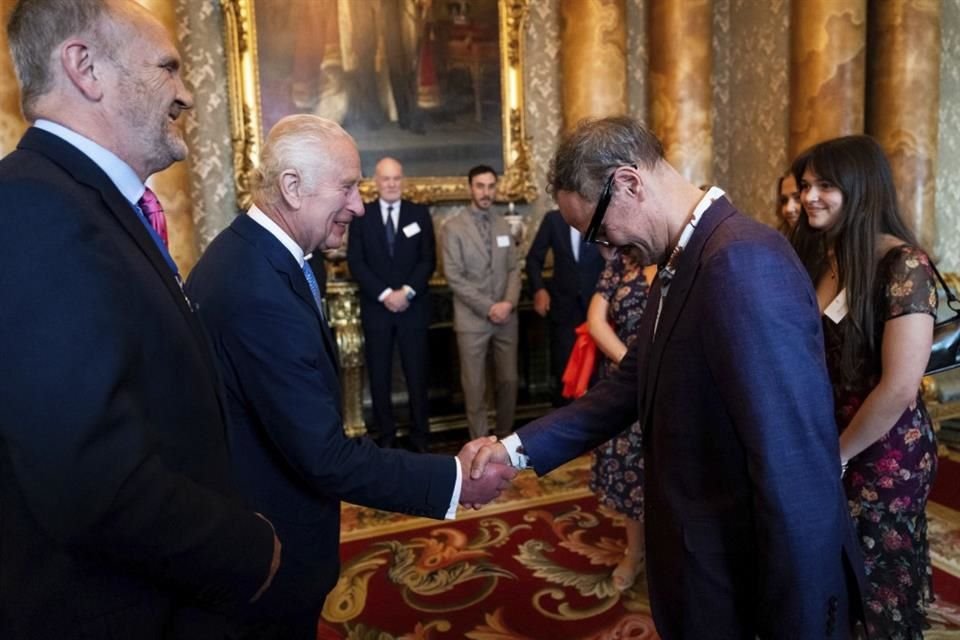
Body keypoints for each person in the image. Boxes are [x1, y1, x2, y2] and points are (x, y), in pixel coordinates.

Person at [470, 116, 864, 638]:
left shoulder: (740, 260)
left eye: (598, 232)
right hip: (700, 561)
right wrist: (514, 449)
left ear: (629, 183)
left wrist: (802, 618)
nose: (605, 252)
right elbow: (629, 385)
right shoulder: (683, 256)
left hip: (740, 579)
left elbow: (792, 460)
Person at [0, 1, 282, 637]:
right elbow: (89, 481)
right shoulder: (33, 209)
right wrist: (245, 550)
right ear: (85, 68)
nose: (185, 93)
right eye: (168, 68)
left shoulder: (84, 203)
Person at [185, 114, 515, 640]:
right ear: (292, 187)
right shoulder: (256, 287)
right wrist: (453, 479)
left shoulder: (273, 258)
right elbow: (323, 455)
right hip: (268, 542)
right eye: (346, 187)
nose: (359, 206)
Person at [791, 135, 939, 639]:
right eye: (807, 184)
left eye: (826, 185)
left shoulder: (903, 265)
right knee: (829, 575)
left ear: (861, 186)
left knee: (878, 584)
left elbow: (899, 388)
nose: (809, 196)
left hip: (884, 450)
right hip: (826, 439)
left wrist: (837, 455)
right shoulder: (820, 254)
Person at [347, 156, 435, 452]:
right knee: (380, 376)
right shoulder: (362, 216)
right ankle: (385, 436)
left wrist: (406, 292)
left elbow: (428, 260)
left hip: (413, 308)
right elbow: (356, 262)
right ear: (376, 182)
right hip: (377, 309)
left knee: (417, 375)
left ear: (403, 180)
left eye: (396, 178)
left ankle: (421, 435)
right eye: (386, 179)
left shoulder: (419, 214)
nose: (392, 184)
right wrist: (386, 294)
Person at [586, 247, 650, 593]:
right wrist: (633, 365)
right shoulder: (619, 261)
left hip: (678, 382)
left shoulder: (691, 255)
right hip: (628, 384)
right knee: (632, 472)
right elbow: (596, 322)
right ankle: (634, 552)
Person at [442, 164, 521, 439]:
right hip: (472, 320)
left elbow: (513, 268)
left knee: (509, 380)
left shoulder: (503, 224)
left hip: (506, 317)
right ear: (470, 188)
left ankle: (504, 437)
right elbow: (454, 276)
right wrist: (488, 307)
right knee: (474, 387)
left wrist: (508, 304)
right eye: (480, 186)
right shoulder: (453, 228)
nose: (486, 192)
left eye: (491, 186)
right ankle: (480, 443)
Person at [526, 208, 605, 406]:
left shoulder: (602, 216)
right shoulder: (553, 219)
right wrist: (539, 290)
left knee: (597, 371)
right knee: (564, 370)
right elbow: (533, 259)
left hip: (597, 308)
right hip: (563, 309)